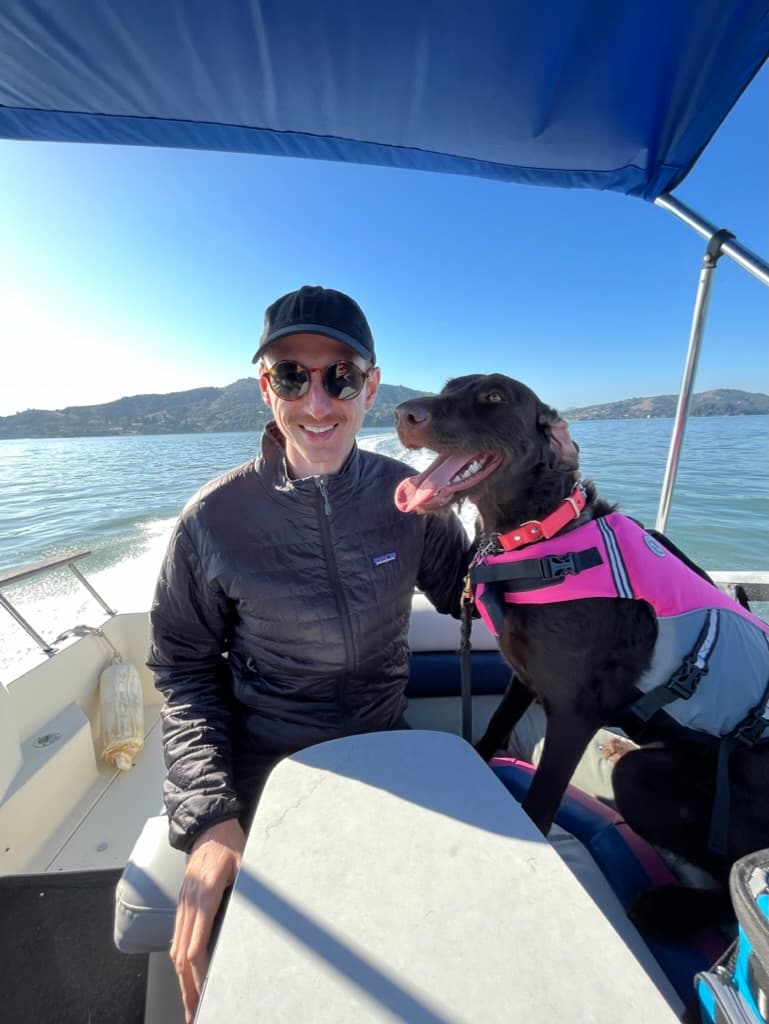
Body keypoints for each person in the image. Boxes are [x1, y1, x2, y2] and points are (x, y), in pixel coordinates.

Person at [147, 285, 472, 1022]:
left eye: (340, 377)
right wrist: (209, 819)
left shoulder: (411, 497)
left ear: (371, 386)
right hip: (270, 771)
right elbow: (186, 674)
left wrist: (535, 493)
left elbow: (474, 598)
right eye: (293, 376)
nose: (317, 404)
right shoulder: (212, 521)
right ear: (267, 388)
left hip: (389, 756)